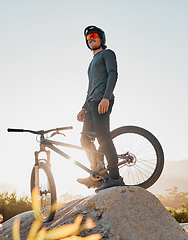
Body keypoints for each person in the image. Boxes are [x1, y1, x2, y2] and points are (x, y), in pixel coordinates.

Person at [77, 25, 125, 193]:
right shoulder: (91, 62)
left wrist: (106, 97)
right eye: (88, 37)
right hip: (91, 104)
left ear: (102, 38)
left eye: (95, 35)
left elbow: (113, 74)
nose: (91, 38)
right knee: (85, 139)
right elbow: (90, 87)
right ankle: (97, 175)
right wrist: (83, 108)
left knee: (103, 137)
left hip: (102, 101)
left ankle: (114, 177)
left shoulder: (108, 53)